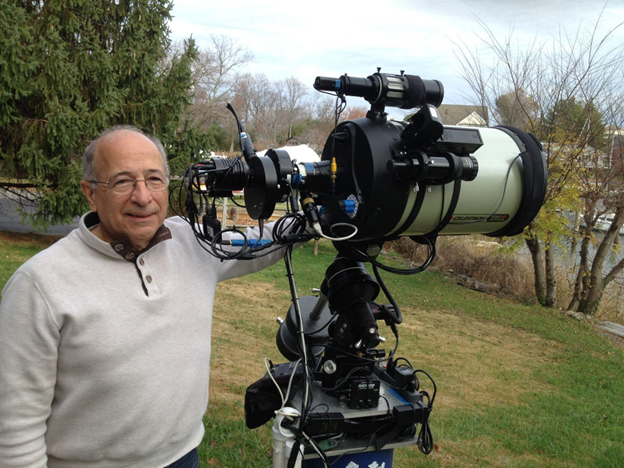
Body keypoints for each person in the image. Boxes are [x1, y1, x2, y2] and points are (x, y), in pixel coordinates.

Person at [0, 126, 299, 467]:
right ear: (90, 193)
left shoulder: (192, 243)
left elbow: (259, 242)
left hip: (183, 457)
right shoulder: (39, 284)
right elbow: (15, 426)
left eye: (154, 179)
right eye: (122, 181)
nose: (143, 197)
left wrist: (322, 217)